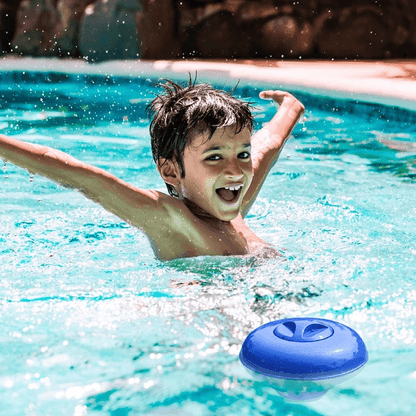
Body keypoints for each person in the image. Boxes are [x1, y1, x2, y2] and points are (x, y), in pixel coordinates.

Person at [0, 78, 304, 260]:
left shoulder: (233, 200)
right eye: (214, 157)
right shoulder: (172, 219)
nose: (235, 170)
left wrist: (290, 108)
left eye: (241, 154)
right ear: (171, 171)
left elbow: (269, 144)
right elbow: (82, 175)